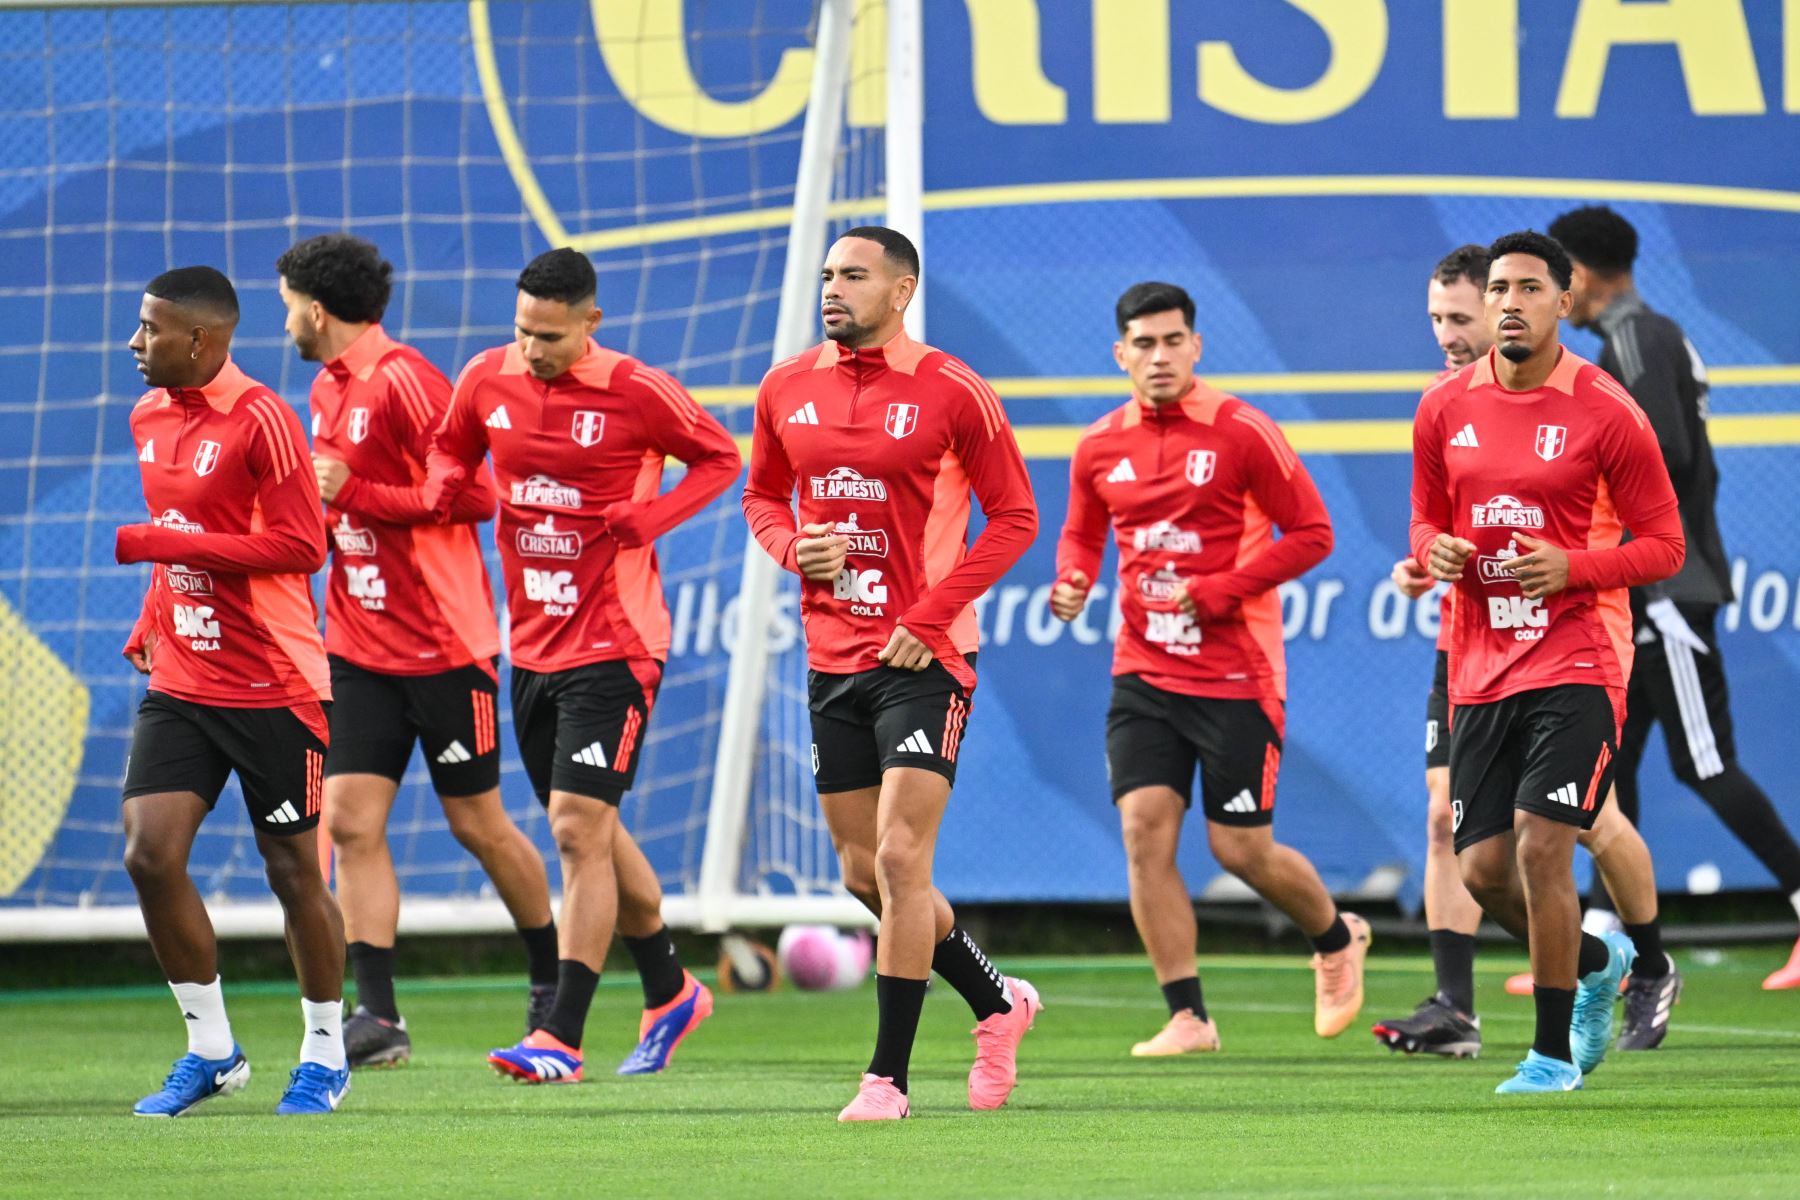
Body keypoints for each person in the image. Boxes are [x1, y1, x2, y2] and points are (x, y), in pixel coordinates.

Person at [741, 226, 1041, 1121]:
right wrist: (796, 547)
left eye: (854, 275)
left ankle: (887, 1080)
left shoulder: (952, 389)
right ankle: (997, 1002)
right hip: (833, 655)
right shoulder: (784, 385)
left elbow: (1014, 518)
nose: (833, 288)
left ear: (902, 289)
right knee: (863, 874)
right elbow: (760, 494)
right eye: (828, 274)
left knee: (905, 858)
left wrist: (929, 615)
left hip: (928, 656)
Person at [424, 248, 739, 1082]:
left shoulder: (638, 389)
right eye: (523, 330)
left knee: (573, 827)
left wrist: (653, 517)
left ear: (590, 324)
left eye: (551, 337)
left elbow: (719, 458)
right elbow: (448, 452)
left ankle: (559, 1035)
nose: (532, 349)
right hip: (529, 644)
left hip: (619, 641)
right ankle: (671, 990)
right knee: (590, 830)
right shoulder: (486, 377)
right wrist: (456, 489)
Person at [1050, 281, 1370, 1058]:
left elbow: (1314, 532)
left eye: (1172, 341)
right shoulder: (1098, 445)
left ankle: (1335, 938)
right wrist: (1071, 580)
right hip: (1143, 672)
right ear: (1120, 354)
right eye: (1143, 344)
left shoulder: (1242, 431)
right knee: (1142, 833)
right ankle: (1189, 1016)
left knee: (1239, 850)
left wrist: (1222, 591)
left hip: (1236, 675)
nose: (1158, 357)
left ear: (1196, 346)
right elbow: (1081, 534)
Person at [1374, 247, 1674, 1057]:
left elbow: (1664, 544)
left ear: (1563, 302)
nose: (1456, 328)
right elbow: (1428, 519)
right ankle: (1596, 965)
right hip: (1476, 653)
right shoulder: (1442, 407)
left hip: (1578, 650)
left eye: (1520, 290)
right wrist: (1431, 551)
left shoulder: (1605, 407)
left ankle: (1579, 1026)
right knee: (1477, 857)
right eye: (1491, 294)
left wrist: (1572, 566)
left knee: (1566, 834)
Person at [276, 234, 558, 1068]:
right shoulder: (328, 388)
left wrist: (353, 492)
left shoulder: (405, 380)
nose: (284, 319)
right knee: (351, 822)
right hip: (359, 647)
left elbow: (477, 492)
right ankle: (381, 1016)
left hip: (444, 645)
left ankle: (551, 982)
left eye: (288, 303)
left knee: (479, 825)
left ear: (316, 310)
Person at [1550, 204, 1800, 999]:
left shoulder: (1634, 339)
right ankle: (1597, 942)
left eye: (1556, 277)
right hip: (1641, 587)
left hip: (1662, 588)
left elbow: (1666, 455)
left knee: (1705, 761)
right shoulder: (1644, 337)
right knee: (1613, 768)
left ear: (1579, 275)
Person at [117, 266, 349, 1115]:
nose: (135, 344)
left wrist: (157, 546)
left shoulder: (261, 420)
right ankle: (211, 1049)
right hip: (184, 675)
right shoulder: (147, 415)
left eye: (150, 330)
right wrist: (153, 612)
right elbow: (177, 538)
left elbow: (301, 546)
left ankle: (325, 1054)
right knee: (149, 851)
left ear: (202, 340)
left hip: (273, 681)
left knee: (292, 870)